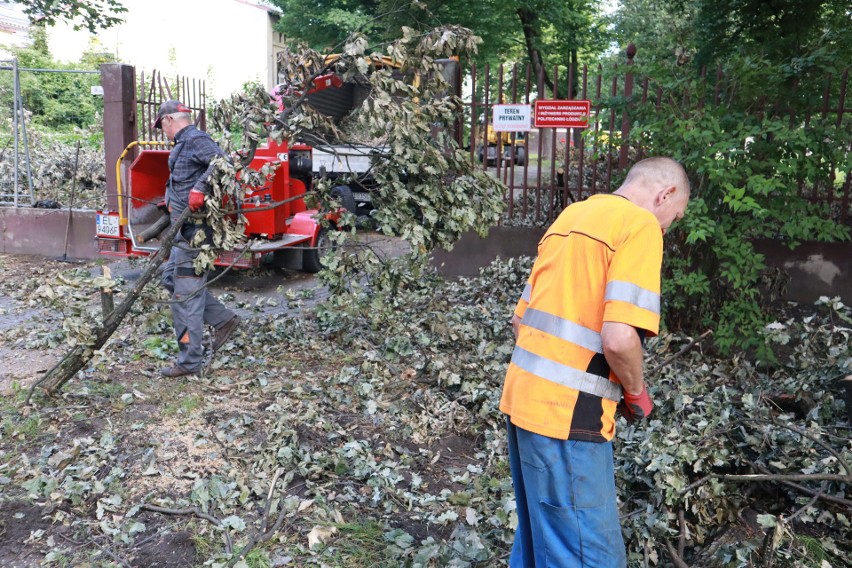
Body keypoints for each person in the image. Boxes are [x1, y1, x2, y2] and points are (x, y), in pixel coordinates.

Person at [500, 157, 690, 567]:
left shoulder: (573, 215)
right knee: (589, 557)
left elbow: (520, 319)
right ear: (665, 194)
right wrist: (636, 392)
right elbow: (620, 339)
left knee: (539, 543)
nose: (665, 229)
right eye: (671, 220)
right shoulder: (638, 226)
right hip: (570, 421)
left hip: (522, 404)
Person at [154, 99, 240, 377]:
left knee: (185, 295)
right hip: (183, 233)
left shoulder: (195, 138)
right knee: (169, 278)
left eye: (161, 126)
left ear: (168, 119)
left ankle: (189, 362)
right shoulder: (183, 143)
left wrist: (200, 188)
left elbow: (224, 164)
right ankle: (223, 319)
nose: (163, 132)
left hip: (195, 234)